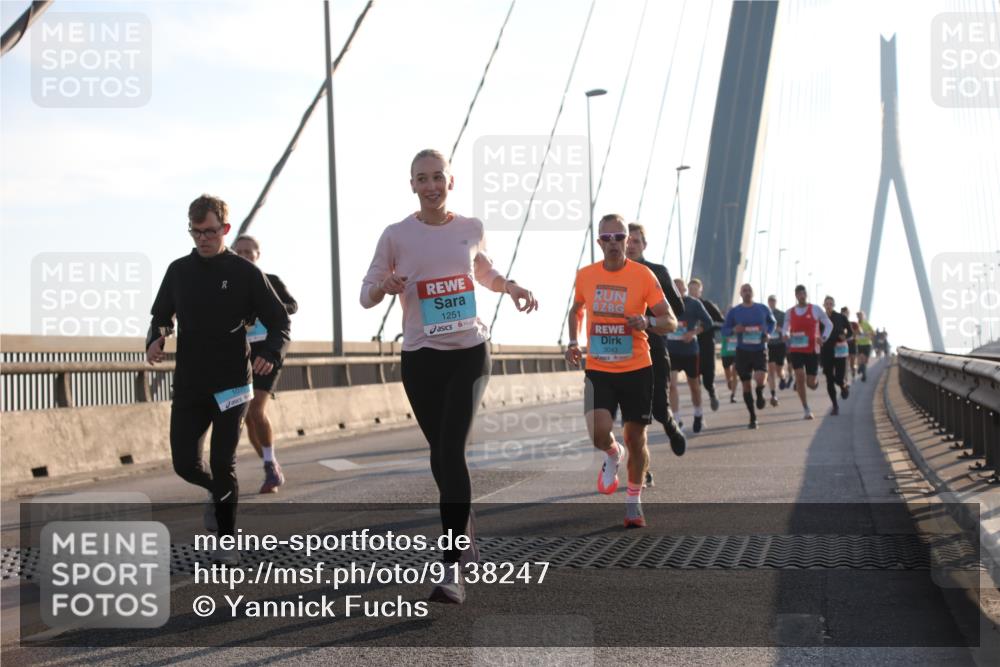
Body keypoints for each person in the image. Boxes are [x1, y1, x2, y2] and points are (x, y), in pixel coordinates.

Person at [360, 148, 538, 604]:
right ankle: (465, 525)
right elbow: (366, 296)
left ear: (451, 182)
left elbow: (484, 270)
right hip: (421, 357)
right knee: (440, 456)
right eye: (423, 179)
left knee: (451, 451)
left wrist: (511, 287)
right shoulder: (396, 236)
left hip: (469, 353)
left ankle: (451, 566)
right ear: (413, 185)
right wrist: (386, 286)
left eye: (439, 177)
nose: (432, 186)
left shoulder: (470, 229)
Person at [146, 194, 291, 564]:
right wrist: (156, 337)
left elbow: (280, 321)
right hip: (191, 382)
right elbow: (162, 315)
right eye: (195, 233)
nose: (202, 239)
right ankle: (218, 490)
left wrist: (269, 352)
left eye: (209, 231)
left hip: (233, 384)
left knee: (223, 461)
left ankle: (227, 541)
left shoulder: (245, 273)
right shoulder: (179, 271)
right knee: (185, 464)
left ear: (225, 229)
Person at [567, 214, 677, 529]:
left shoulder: (643, 276)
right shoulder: (585, 275)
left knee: (636, 437)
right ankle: (612, 455)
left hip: (637, 368)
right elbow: (576, 309)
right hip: (600, 367)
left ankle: (633, 501)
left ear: (628, 241)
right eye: (608, 238)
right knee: (599, 433)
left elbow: (670, 320)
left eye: (620, 237)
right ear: (599, 242)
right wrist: (574, 340)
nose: (614, 243)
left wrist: (648, 322)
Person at [233, 235, 298, 494]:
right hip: (242, 352)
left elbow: (292, 305)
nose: (245, 255)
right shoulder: (229, 286)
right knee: (249, 418)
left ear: (258, 254)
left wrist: (269, 307)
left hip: (268, 349)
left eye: (249, 252)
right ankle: (270, 465)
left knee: (257, 409)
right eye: (240, 252)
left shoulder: (270, 281)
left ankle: (271, 466)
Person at [625, 223, 688, 467]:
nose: (630, 246)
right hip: (623, 351)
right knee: (633, 417)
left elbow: (678, 309)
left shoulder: (658, 272)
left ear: (644, 245)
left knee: (660, 409)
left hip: (653, 345)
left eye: (636, 241)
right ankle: (642, 469)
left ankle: (671, 427)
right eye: (627, 241)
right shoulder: (611, 273)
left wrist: (650, 317)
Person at [721, 284, 776, 429]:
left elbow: (772, 323)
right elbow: (724, 330)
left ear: (753, 293)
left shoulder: (763, 308)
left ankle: (759, 392)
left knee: (759, 378)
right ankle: (753, 417)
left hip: (759, 349)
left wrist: (768, 333)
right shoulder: (734, 312)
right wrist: (733, 329)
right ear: (740, 293)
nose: (747, 293)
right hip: (743, 351)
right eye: (744, 291)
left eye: (749, 290)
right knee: (745, 385)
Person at [666, 279, 714, 434]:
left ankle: (698, 414)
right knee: (672, 385)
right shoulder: (664, 303)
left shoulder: (694, 304)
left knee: (694, 386)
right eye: (675, 288)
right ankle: (677, 420)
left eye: (681, 289)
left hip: (690, 351)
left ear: (685, 289)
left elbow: (708, 322)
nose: (678, 291)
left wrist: (693, 332)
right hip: (672, 350)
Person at [783, 285, 832, 419]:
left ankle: (813, 382)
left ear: (806, 294)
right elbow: (785, 328)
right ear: (796, 296)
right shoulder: (789, 312)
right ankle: (806, 408)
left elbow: (829, 324)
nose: (801, 295)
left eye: (803, 293)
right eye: (799, 293)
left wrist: (824, 338)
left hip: (812, 350)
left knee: (810, 383)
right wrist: (786, 334)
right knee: (799, 375)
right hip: (796, 349)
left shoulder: (815, 309)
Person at [688, 279, 725, 411]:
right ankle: (698, 411)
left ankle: (712, 393)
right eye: (690, 289)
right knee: (694, 381)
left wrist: (706, 326)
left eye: (695, 289)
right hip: (690, 348)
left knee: (708, 379)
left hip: (707, 346)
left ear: (700, 290)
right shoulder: (684, 305)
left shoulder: (708, 305)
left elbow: (722, 323)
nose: (693, 292)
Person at [822, 296, 852, 416]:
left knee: (839, 378)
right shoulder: (821, 318)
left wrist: (846, 336)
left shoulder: (841, 317)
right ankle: (835, 406)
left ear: (833, 305)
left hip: (840, 350)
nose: (829, 305)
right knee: (829, 379)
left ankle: (843, 386)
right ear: (824, 305)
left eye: (830, 303)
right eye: (827, 304)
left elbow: (850, 331)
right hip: (826, 351)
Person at [766, 295, 788, 407]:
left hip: (780, 344)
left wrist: (780, 329)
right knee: (771, 370)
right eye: (770, 301)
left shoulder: (781, 314)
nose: (771, 302)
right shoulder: (764, 314)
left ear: (776, 302)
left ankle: (783, 378)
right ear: (768, 302)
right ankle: (773, 394)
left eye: (773, 301)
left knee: (779, 369)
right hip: (769, 345)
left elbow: (786, 328)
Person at [720, 323, 739, 403]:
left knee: (735, 372)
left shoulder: (740, 325)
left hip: (737, 353)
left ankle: (733, 395)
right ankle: (729, 381)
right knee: (728, 374)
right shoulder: (725, 327)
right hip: (726, 353)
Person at [855, 310, 875, 382]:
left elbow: (873, 333)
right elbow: (853, 333)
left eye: (861, 315)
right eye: (858, 315)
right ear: (857, 316)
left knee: (865, 361)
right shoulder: (856, 324)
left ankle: (861, 368)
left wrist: (868, 334)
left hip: (867, 344)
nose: (860, 317)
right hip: (860, 344)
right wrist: (856, 335)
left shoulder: (867, 324)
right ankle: (864, 375)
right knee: (861, 358)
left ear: (863, 316)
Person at [841, 306, 858, 380]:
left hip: (852, 344)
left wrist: (853, 333)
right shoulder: (839, 323)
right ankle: (845, 378)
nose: (845, 314)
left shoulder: (853, 323)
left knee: (852, 362)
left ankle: (853, 371)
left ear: (849, 314)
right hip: (844, 344)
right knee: (845, 362)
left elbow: (858, 332)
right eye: (843, 313)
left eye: (847, 313)